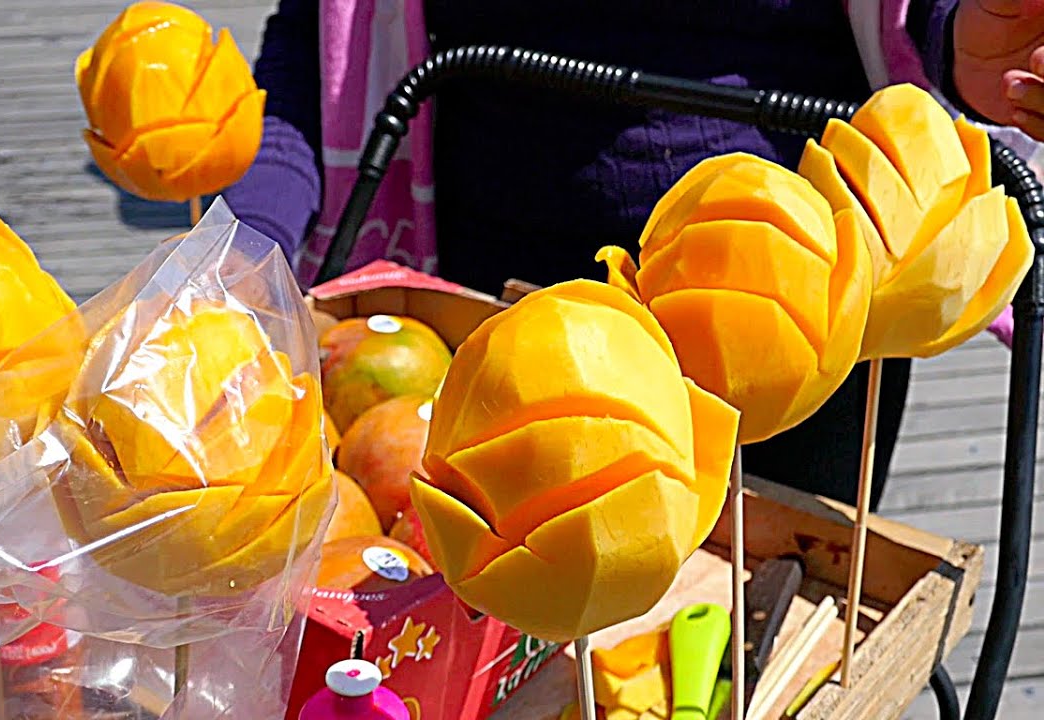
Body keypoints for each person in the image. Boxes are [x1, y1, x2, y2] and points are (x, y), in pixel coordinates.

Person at [222, 0, 1044, 509]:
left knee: (755, 667)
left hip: (797, 333)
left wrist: (961, 38)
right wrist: (237, 260)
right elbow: (315, 42)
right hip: (491, 316)